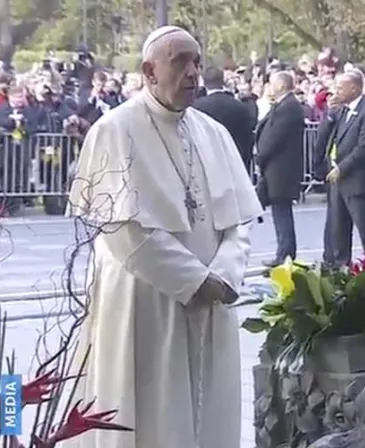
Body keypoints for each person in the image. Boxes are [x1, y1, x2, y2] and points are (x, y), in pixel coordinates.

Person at [66, 26, 263, 448]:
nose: (194, 72)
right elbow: (122, 230)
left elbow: (238, 223)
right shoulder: (114, 130)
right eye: (180, 62)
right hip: (148, 302)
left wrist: (225, 275)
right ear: (149, 71)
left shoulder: (213, 133)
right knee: (150, 412)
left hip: (213, 302)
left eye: (197, 61)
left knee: (208, 413)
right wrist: (193, 280)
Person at [314, 69, 365, 266]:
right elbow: (326, 138)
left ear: (354, 88)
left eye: (340, 87)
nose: (335, 91)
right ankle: (340, 268)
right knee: (338, 231)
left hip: (358, 181)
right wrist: (329, 114)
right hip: (338, 182)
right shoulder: (341, 111)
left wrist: (342, 168)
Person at [255, 71, 305, 267]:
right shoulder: (283, 105)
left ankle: (285, 254)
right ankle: (283, 252)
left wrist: (261, 155)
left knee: (282, 212)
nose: (270, 86)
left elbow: (274, 136)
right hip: (277, 169)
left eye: (273, 83)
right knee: (279, 212)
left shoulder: (289, 107)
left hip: (282, 169)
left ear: (282, 85)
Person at [193, 66, 257, 172]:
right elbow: (247, 138)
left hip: (206, 164)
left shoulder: (196, 108)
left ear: (204, 82)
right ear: (222, 81)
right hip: (235, 163)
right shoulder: (240, 107)